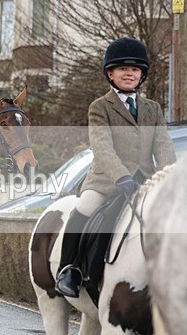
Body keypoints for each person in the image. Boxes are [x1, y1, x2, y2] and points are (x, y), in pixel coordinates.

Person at [54, 37, 176, 298]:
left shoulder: (152, 109)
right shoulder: (100, 107)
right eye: (123, 69)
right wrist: (120, 176)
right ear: (110, 73)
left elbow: (164, 146)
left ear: (142, 74)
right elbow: (102, 146)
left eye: (135, 69)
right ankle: (70, 269)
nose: (129, 74)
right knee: (85, 207)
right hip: (107, 181)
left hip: (144, 181)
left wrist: (170, 176)